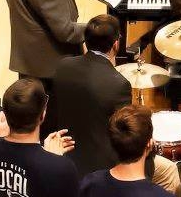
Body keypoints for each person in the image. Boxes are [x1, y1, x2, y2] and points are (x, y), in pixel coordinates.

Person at [50, 14, 133, 174]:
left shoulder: (63, 66)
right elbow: (123, 135)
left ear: (86, 42)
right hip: (101, 167)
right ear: (115, 45)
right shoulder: (119, 84)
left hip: (63, 156)